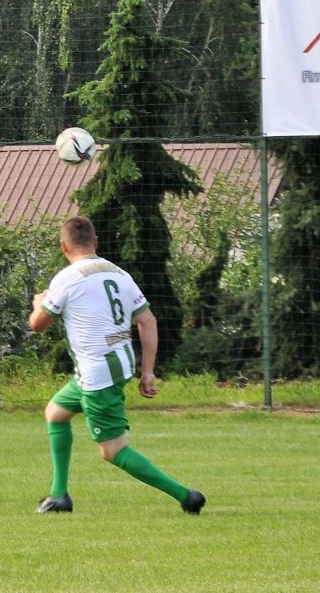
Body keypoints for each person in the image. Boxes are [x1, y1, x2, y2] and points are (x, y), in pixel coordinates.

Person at [28, 216, 205, 516]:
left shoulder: (67, 278)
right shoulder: (118, 273)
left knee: (112, 450)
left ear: (63, 246)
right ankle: (59, 495)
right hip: (119, 363)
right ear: (95, 242)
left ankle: (185, 495)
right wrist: (147, 371)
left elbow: (38, 325)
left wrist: (38, 302)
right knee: (56, 413)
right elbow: (147, 321)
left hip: (96, 373)